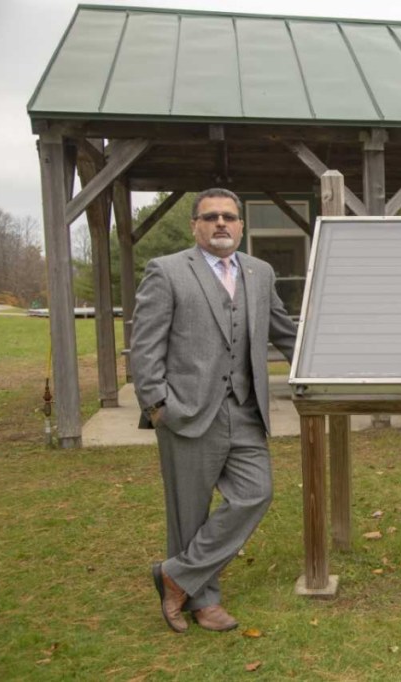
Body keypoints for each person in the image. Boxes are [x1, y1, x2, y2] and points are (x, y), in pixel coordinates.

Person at [131, 188, 297, 633]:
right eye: (211, 217)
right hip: (186, 411)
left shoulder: (260, 273)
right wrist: (157, 404)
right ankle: (203, 602)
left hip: (245, 411)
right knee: (189, 512)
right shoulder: (166, 271)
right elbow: (145, 345)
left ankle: (176, 574)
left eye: (229, 216)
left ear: (241, 225)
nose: (220, 223)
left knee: (254, 494)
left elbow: (283, 329)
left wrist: (325, 354)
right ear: (195, 226)